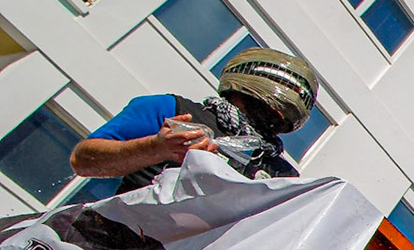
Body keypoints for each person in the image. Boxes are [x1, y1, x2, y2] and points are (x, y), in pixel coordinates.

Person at [71, 48, 318, 190]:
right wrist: (157, 148)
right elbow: (82, 160)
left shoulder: (281, 174)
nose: (277, 116)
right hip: (106, 247)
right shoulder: (171, 109)